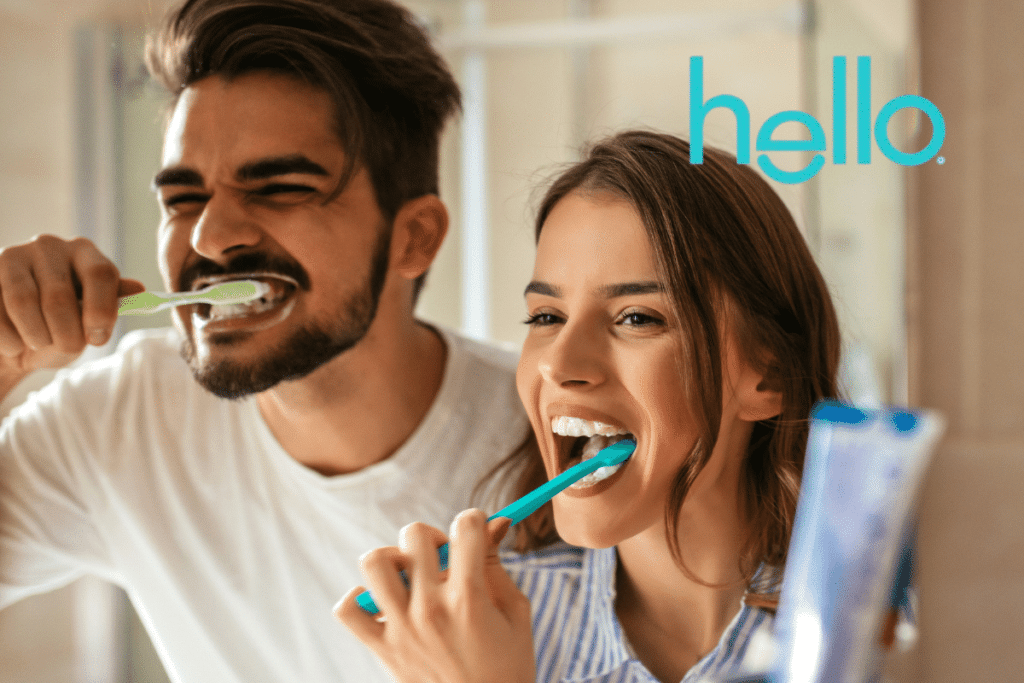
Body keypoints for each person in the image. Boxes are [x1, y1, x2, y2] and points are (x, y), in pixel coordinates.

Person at [0, 1, 529, 682]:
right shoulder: (123, 418)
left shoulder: (555, 449)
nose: (210, 237)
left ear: (414, 237)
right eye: (183, 199)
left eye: (279, 188)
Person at [336, 131, 842, 683]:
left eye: (637, 318)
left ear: (767, 376)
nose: (559, 363)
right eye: (546, 318)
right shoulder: (460, 640)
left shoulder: (882, 627)